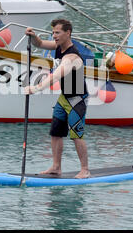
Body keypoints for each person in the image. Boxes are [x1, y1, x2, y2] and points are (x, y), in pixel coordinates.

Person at [24, 19, 90, 179]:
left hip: (77, 100)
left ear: (68, 33)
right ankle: (56, 167)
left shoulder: (72, 56)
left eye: (57, 33)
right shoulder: (58, 46)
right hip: (64, 98)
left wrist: (36, 88)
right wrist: (32, 36)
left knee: (76, 134)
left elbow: (57, 75)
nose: (54, 36)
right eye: (53, 32)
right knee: (55, 132)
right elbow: (39, 44)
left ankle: (85, 170)